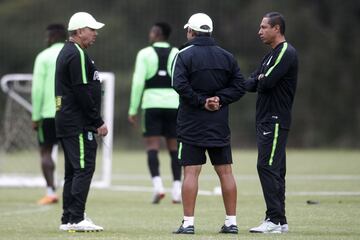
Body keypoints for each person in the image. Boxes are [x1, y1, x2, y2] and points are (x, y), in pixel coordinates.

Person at [172, 13, 246, 234]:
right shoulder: (227, 56)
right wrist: (219, 99)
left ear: (191, 32)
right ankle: (231, 223)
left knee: (191, 173)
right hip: (219, 123)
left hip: (191, 123)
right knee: (226, 172)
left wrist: (202, 102)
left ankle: (188, 224)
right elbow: (240, 86)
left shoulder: (183, 55)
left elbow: (179, 85)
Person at [244, 12, 298, 234]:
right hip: (266, 120)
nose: (260, 31)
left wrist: (260, 79)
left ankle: (273, 220)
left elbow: (267, 82)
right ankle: (280, 221)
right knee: (276, 169)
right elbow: (253, 82)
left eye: (264, 27)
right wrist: (249, 80)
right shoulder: (270, 55)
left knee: (266, 167)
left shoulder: (286, 52)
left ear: (277, 29)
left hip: (275, 120)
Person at [55, 12, 108, 232]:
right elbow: (82, 91)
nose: (95, 34)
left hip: (69, 121)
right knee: (84, 169)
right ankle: (76, 219)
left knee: (73, 171)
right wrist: (98, 121)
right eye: (91, 30)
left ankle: (68, 217)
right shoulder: (75, 54)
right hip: (77, 123)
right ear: (79, 32)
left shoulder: (71, 51)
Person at [128, 22, 181, 204]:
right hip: (174, 104)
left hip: (151, 104)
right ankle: (176, 191)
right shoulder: (176, 53)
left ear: (156, 33)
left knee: (152, 147)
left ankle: (158, 187)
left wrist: (133, 109)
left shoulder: (144, 53)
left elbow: (138, 83)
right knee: (174, 149)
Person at [31, 23, 66, 205]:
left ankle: (51, 192)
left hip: (48, 113)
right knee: (72, 153)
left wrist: (35, 116)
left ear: (52, 37)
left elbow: (37, 90)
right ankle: (72, 191)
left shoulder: (43, 57)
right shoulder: (73, 53)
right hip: (69, 113)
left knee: (46, 152)